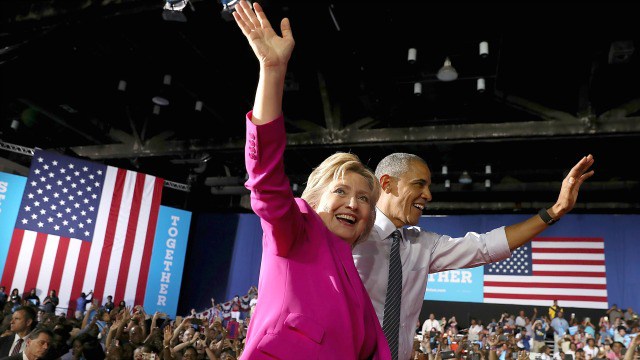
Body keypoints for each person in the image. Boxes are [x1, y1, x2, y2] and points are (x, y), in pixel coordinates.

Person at [231, 1, 390, 359]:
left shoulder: (355, 287)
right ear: (314, 200)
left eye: (365, 199)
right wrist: (272, 72)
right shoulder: (295, 233)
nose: (354, 203)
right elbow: (266, 180)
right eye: (342, 191)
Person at [352, 152, 595, 360]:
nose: (428, 194)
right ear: (387, 184)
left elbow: (486, 246)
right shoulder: (350, 235)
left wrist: (554, 211)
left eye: (428, 186)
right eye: (419, 184)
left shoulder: (421, 244)